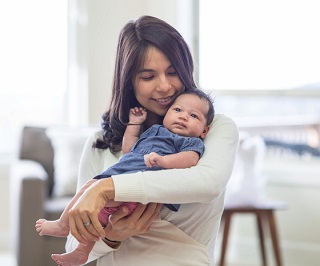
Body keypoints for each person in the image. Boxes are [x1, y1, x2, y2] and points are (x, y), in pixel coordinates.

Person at [65, 15, 238, 266]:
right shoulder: (101, 142)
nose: (165, 86)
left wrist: (106, 188)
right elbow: (73, 243)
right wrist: (112, 237)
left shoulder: (214, 130)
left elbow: (207, 184)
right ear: (129, 82)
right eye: (148, 77)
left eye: (173, 72)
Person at [36, 89, 214, 266]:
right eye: (177, 110)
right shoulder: (155, 131)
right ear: (167, 113)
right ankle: (75, 241)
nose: (183, 117)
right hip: (119, 176)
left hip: (139, 187)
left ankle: (70, 234)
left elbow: (190, 159)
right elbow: (129, 149)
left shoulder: (190, 141)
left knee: (98, 204)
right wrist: (134, 124)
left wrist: (164, 161)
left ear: (204, 130)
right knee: (93, 199)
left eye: (193, 116)